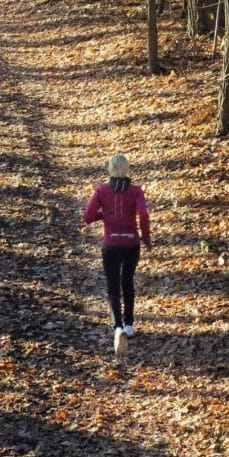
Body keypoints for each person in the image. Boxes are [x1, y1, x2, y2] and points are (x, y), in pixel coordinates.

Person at [82, 153, 151, 357]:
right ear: (127, 169)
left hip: (111, 244)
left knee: (113, 285)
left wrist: (104, 215)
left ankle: (118, 326)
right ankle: (129, 324)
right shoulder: (136, 191)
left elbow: (87, 217)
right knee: (127, 281)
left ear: (109, 169)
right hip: (131, 243)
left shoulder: (102, 191)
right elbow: (144, 214)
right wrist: (145, 238)